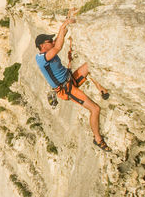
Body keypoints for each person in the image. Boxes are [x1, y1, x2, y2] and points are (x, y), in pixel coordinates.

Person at [35, 15, 112, 152]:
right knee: (95, 109)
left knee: (89, 65)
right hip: (66, 90)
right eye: (49, 41)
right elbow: (58, 46)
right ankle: (97, 139)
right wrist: (63, 26)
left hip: (70, 79)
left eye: (52, 40)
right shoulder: (41, 59)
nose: (52, 42)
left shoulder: (49, 53)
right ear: (42, 46)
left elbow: (59, 43)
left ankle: (101, 89)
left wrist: (67, 24)